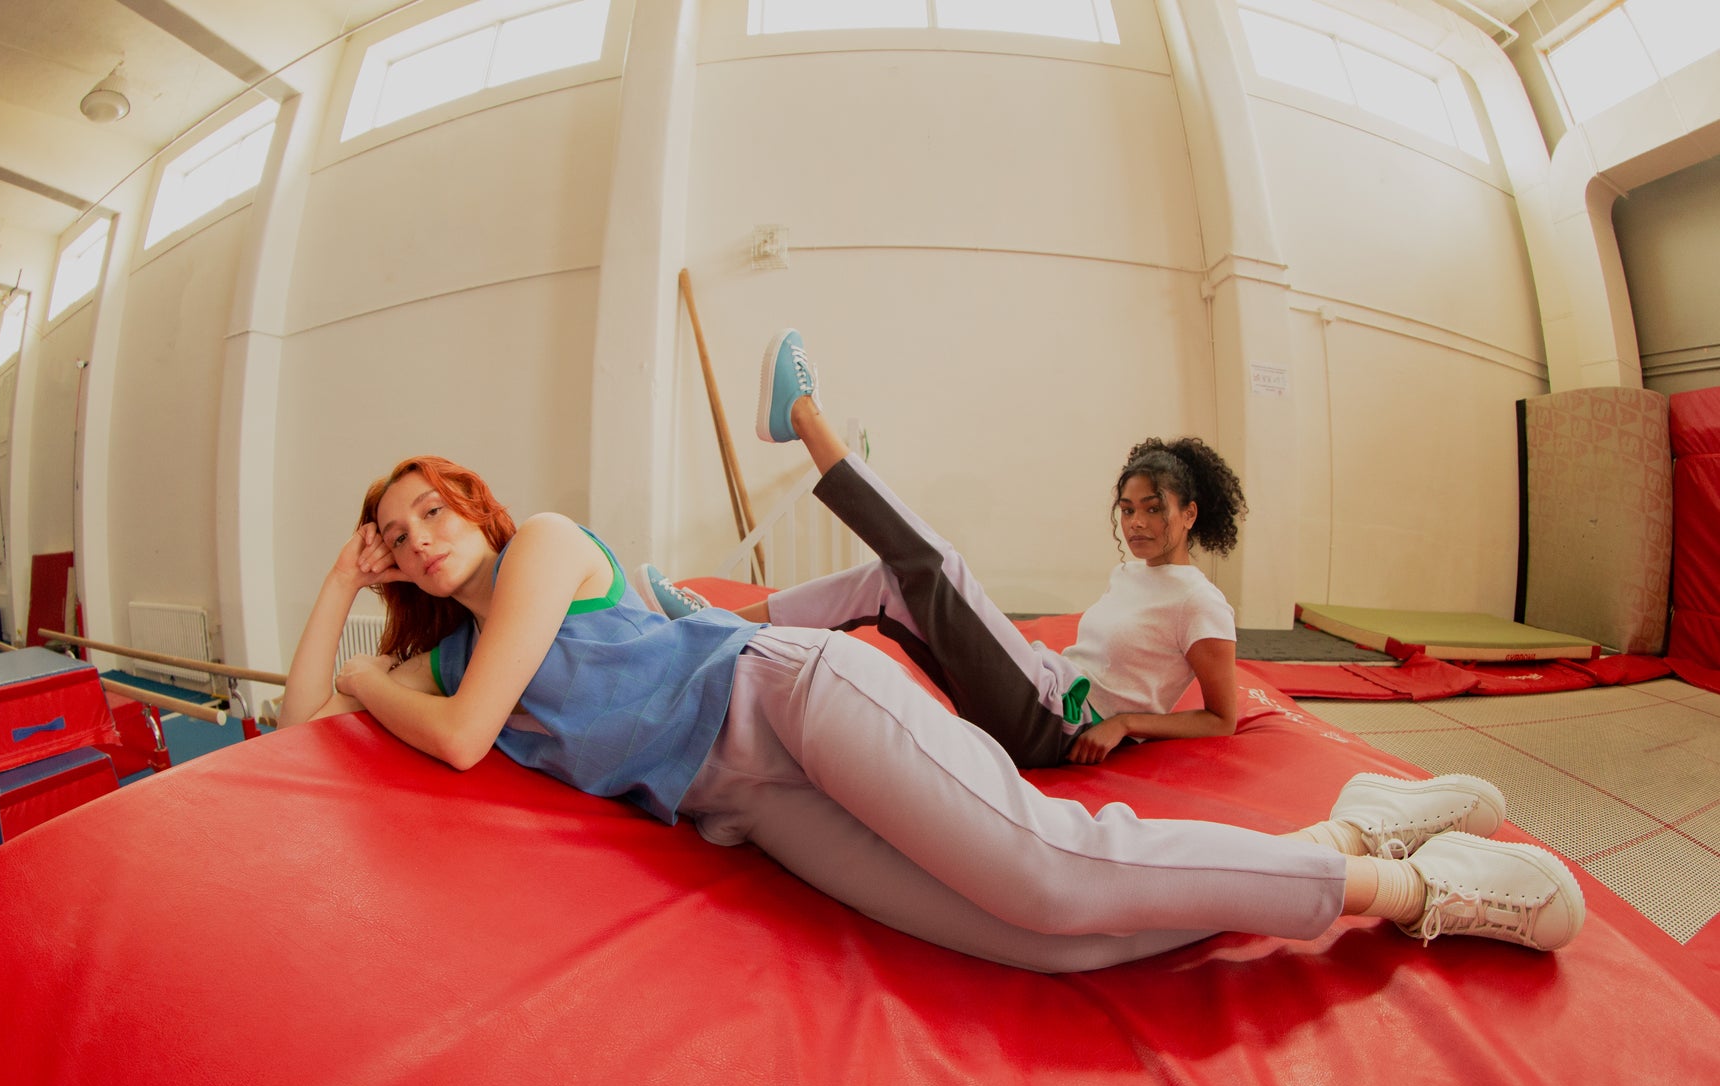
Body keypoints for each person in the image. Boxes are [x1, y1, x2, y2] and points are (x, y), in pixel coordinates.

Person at [279, 449, 1586, 973]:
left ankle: (1411, 892)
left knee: (1057, 873)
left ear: (477, 506)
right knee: (1049, 945)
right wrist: (341, 587)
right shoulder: (440, 664)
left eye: (432, 510)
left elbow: (461, 735)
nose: (420, 535)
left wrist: (369, 672)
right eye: (395, 533)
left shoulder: (545, 550)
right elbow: (295, 739)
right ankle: (1350, 834)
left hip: (788, 696)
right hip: (742, 801)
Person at [638, 330, 1243, 770]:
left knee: (935, 564)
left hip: (1053, 724)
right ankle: (717, 626)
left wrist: (1125, 723)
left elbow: (1222, 718)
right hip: (1040, 686)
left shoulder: (1201, 602)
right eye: (1128, 509)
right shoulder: (1130, 576)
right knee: (885, 582)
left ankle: (802, 416)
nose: (1137, 523)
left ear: (1190, 514)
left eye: (1154, 509)